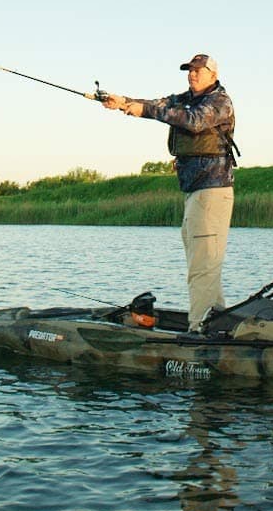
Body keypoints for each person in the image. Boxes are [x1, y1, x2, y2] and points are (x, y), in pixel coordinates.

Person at [101, 54, 237, 330]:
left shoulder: (219, 102)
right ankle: (218, 321)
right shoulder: (185, 98)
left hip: (212, 190)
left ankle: (198, 329)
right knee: (203, 262)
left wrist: (145, 111)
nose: (192, 75)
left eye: (199, 71)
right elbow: (157, 104)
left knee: (203, 266)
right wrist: (123, 102)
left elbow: (193, 121)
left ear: (213, 74)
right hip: (194, 191)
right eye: (189, 71)